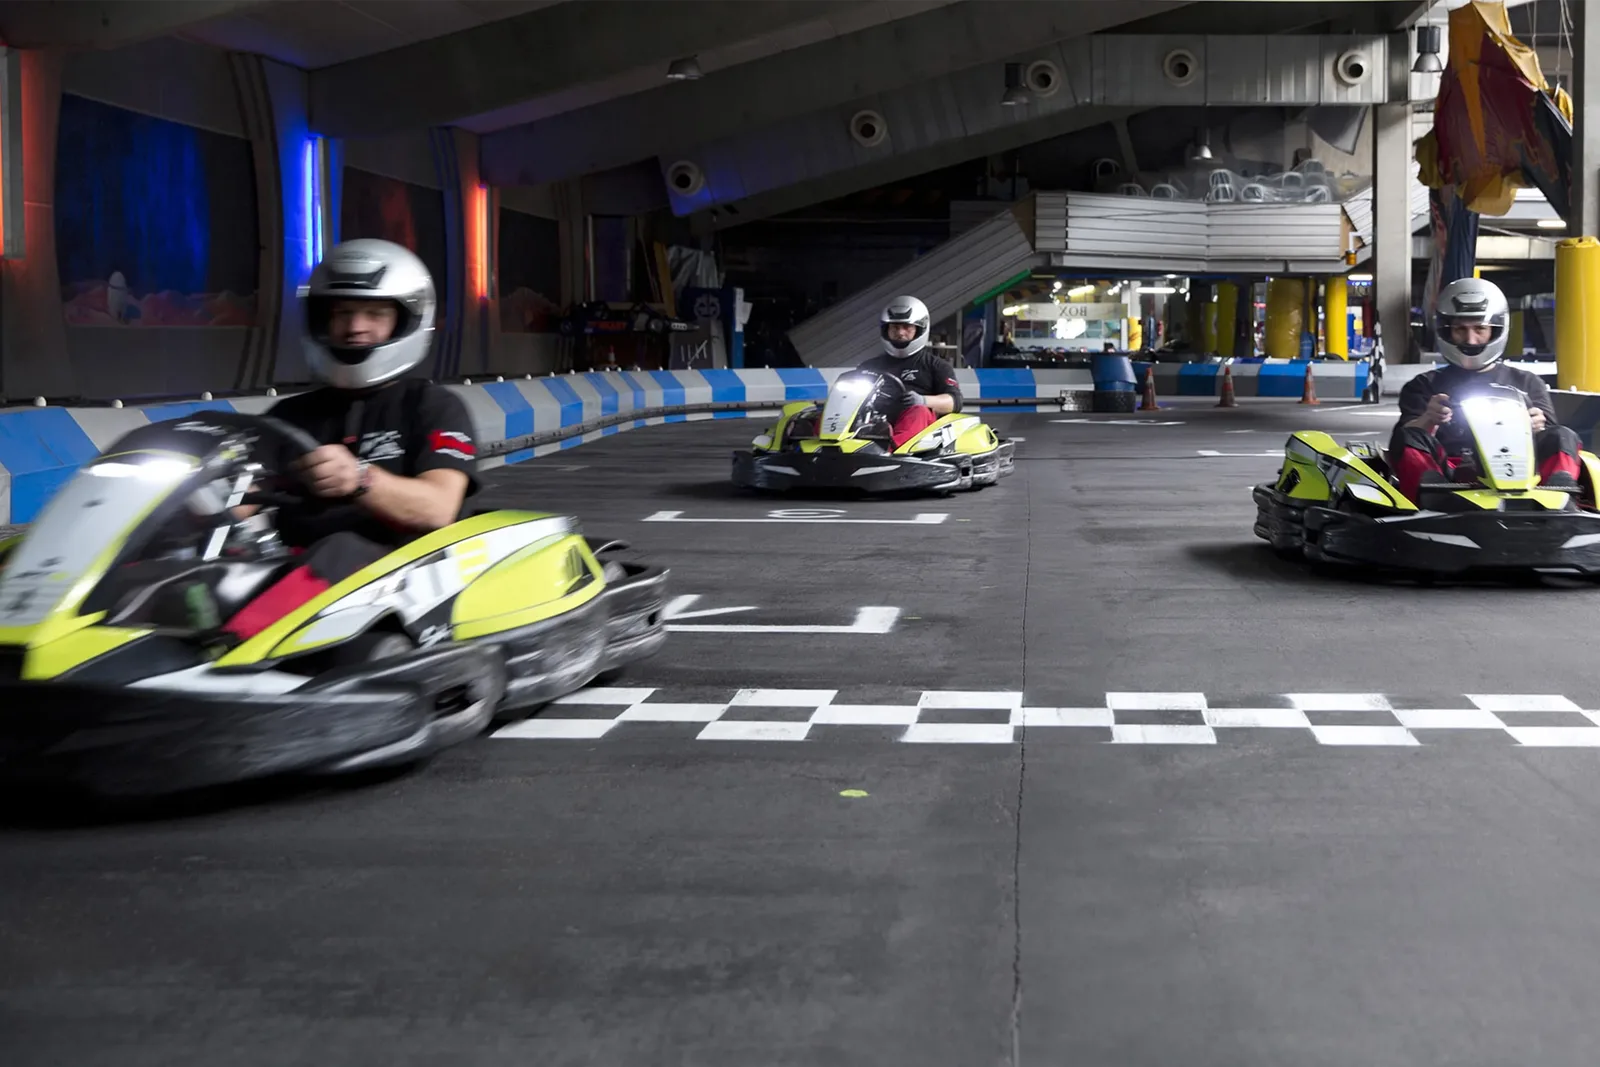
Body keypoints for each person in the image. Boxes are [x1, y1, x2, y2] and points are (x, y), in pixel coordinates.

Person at [223, 239, 481, 640]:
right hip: (298, 573)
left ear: (406, 321)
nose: (356, 327)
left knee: (340, 548)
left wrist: (359, 478)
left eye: (374, 314)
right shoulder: (287, 417)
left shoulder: (432, 406)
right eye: (342, 313)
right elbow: (238, 502)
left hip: (401, 576)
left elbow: (438, 508)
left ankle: (235, 649)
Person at [1389, 276, 1580, 500]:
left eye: (1480, 328)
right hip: (1448, 476)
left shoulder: (1527, 382)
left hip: (1523, 472)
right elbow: (1404, 440)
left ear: (1496, 330)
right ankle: (1433, 501)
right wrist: (1429, 419)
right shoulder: (1424, 385)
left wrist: (1538, 425)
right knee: (1409, 436)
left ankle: (1560, 498)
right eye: (1460, 329)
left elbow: (1551, 437)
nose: (1470, 340)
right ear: (1446, 331)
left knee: (1563, 435)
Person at [855, 295, 963, 447]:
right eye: (895, 327)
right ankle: (825, 446)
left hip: (917, 428)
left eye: (907, 327)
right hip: (875, 419)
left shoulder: (936, 365)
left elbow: (955, 402)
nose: (900, 333)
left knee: (918, 411)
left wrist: (923, 400)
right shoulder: (868, 367)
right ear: (886, 330)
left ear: (919, 329)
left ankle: (890, 448)